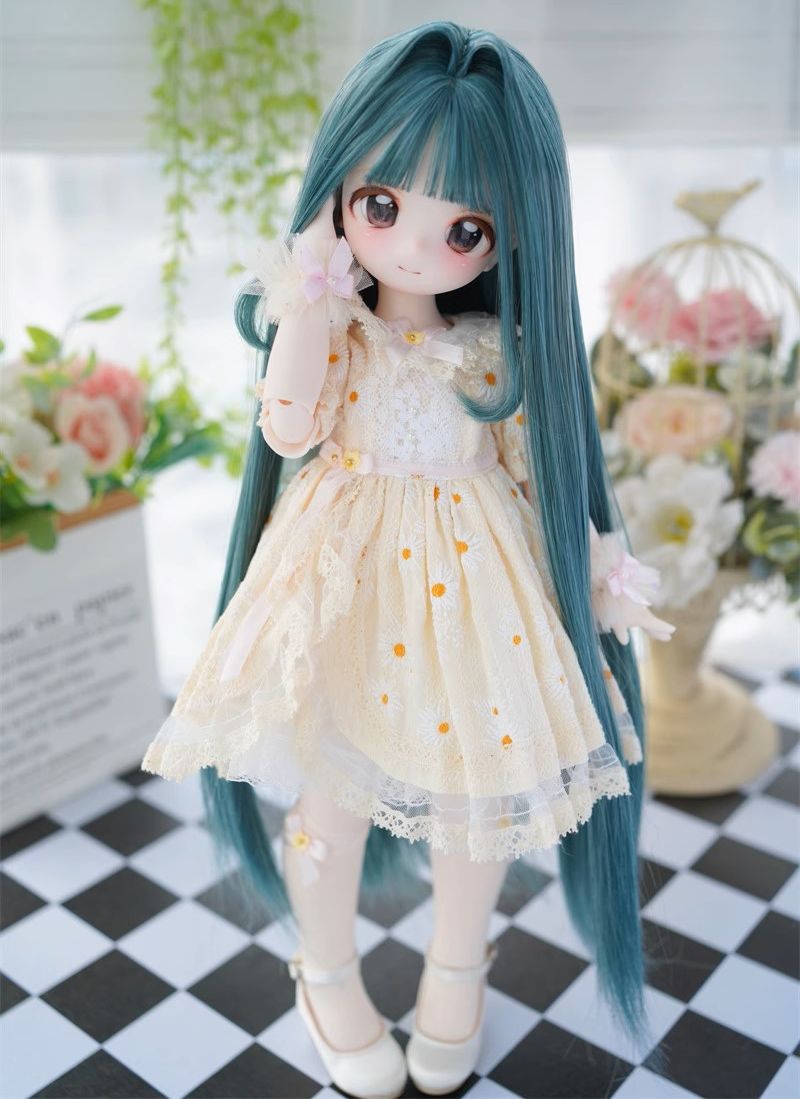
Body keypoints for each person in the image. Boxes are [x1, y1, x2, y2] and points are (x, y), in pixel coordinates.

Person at [141, 21, 673, 1099]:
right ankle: (325, 967)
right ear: (340, 196)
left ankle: (456, 969)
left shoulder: (490, 353)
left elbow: (539, 474)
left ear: (509, 238)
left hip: (476, 598)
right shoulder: (340, 333)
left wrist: (599, 566)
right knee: (332, 800)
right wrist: (310, 290)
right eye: (381, 207)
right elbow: (288, 427)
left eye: (464, 227)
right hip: (344, 587)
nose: (419, 249)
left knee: (475, 798)